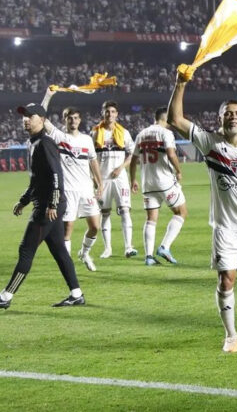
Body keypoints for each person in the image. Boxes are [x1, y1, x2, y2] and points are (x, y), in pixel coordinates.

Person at [167, 72, 237, 353]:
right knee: (226, 279)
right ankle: (231, 335)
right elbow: (175, 120)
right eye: (227, 113)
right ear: (220, 119)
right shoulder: (210, 143)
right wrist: (180, 84)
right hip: (225, 228)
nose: (232, 117)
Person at [0, 104, 85, 310]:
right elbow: (37, 180)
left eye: (30, 116)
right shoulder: (34, 143)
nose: (25, 119)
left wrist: (53, 203)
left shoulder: (45, 143)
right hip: (47, 205)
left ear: (42, 120)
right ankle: (76, 294)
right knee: (60, 252)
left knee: (26, 250)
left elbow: (57, 175)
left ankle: (5, 296)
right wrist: (23, 200)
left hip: (48, 207)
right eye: (24, 116)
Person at [40, 106, 102, 272]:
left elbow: (93, 161)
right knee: (68, 229)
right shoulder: (59, 136)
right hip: (67, 190)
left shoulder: (87, 140)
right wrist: (48, 96)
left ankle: (84, 253)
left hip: (86, 189)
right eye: (69, 118)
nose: (73, 121)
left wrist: (100, 183)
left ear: (80, 120)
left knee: (95, 226)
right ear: (64, 120)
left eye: (75, 118)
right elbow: (41, 117)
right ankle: (68, 267)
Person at [129, 107, 187, 266]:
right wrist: (178, 170)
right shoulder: (165, 133)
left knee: (151, 219)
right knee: (181, 212)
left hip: (147, 183)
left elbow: (133, 160)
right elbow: (171, 153)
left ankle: (148, 257)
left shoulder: (141, 134)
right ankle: (164, 247)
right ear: (166, 118)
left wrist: (133, 179)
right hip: (165, 182)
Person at [91, 101, 138, 258]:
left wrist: (121, 167)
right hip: (102, 179)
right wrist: (94, 179)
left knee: (125, 210)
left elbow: (132, 154)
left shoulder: (124, 133)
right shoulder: (95, 133)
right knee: (105, 213)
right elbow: (91, 158)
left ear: (117, 114)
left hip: (120, 178)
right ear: (102, 113)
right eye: (107, 112)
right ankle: (108, 248)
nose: (110, 114)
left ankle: (128, 247)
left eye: (112, 112)